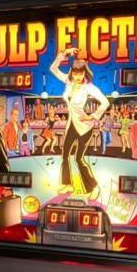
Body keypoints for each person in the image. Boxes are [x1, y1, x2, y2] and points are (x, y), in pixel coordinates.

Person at [49, 48, 109, 200]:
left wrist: (92, 117)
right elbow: (53, 68)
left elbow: (105, 102)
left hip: (84, 127)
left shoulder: (89, 87)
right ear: (72, 73)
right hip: (72, 125)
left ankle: (93, 187)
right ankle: (67, 183)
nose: (77, 76)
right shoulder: (68, 82)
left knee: (78, 158)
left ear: (85, 73)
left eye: (80, 73)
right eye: (75, 73)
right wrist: (64, 54)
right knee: (64, 156)